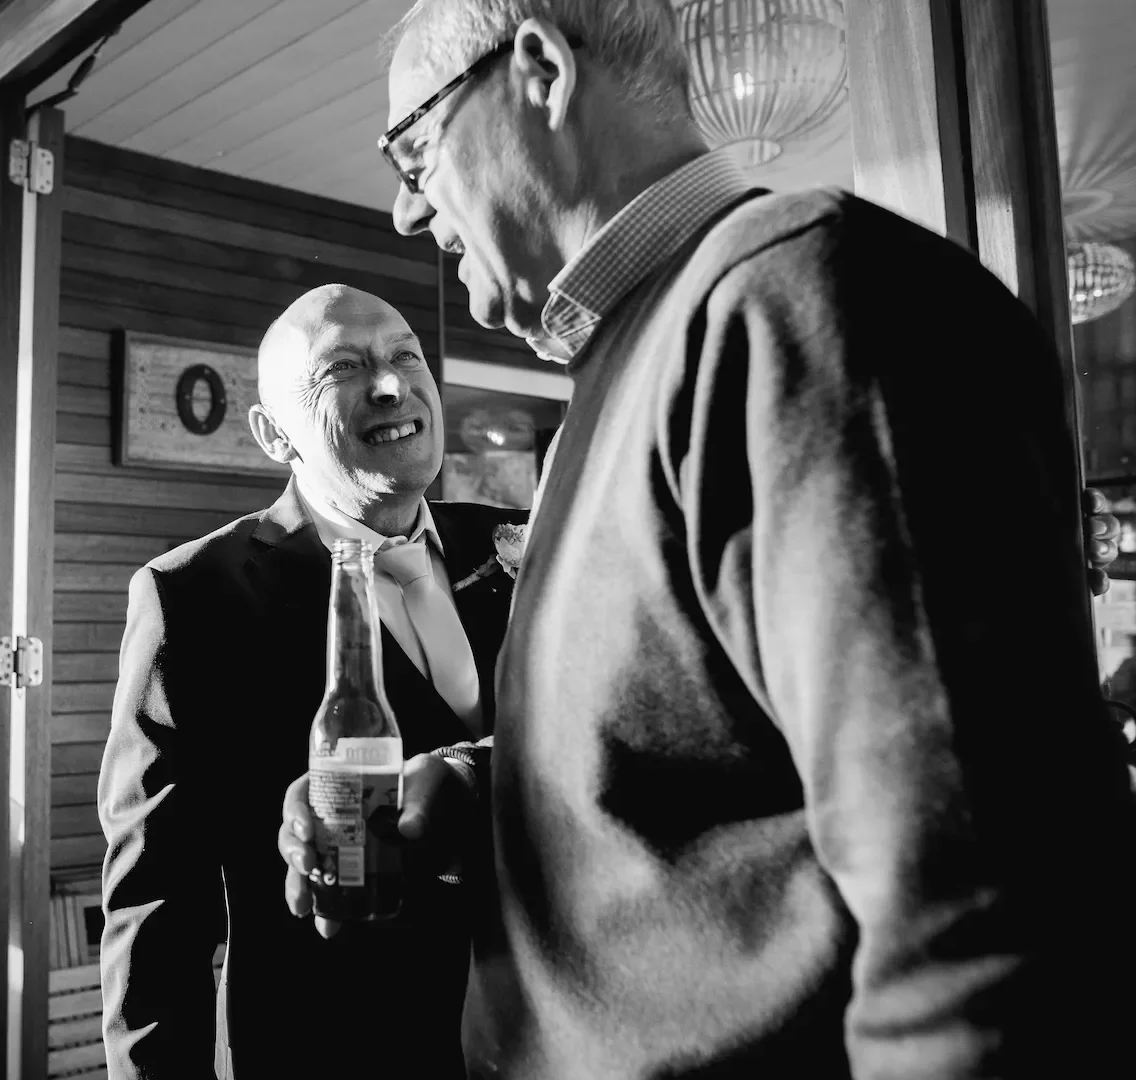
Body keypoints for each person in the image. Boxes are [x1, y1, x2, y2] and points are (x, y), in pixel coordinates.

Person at [278, 2, 1136, 1076]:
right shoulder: (643, 353)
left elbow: (988, 904)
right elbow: (711, 739)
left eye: (415, 146)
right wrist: (479, 789)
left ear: (539, 69)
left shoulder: (807, 303)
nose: (409, 210)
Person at [99, 284, 526, 1079]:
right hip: (335, 1046)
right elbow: (158, 900)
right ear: (271, 432)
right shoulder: (193, 597)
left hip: (549, 1037)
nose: (393, 386)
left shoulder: (518, 545)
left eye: (406, 356)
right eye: (344, 369)